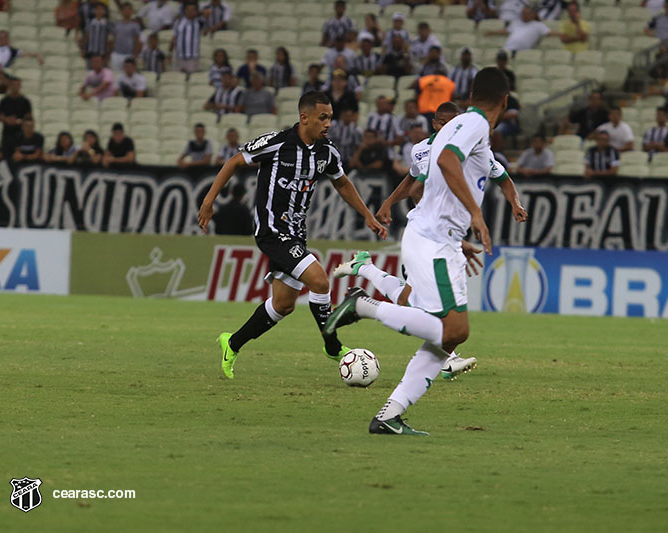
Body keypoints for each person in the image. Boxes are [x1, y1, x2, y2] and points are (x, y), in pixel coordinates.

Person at [324, 68, 527, 436]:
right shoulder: (475, 124)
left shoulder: (457, 126)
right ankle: (364, 305)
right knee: (456, 330)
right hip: (433, 239)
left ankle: (390, 414)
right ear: (505, 102)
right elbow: (448, 161)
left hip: (437, 237)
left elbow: (441, 180)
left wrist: (459, 235)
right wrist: (476, 215)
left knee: (446, 337)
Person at [196, 91, 387, 378]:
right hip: (272, 231)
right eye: (323, 118)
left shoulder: (327, 152)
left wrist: (367, 215)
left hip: (297, 234)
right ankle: (332, 346)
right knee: (320, 281)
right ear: (304, 117)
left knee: (283, 304)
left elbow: (343, 183)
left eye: (330, 118)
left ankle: (231, 343)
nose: (328, 124)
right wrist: (209, 201)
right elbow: (235, 161)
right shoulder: (277, 143)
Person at [343, 102, 481, 379]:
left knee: (410, 299)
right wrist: (391, 203)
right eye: (442, 123)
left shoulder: (465, 150)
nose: (447, 128)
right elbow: (414, 183)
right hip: (426, 236)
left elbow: (416, 183)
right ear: (434, 124)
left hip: (442, 233)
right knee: (430, 300)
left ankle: (364, 269)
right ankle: (447, 358)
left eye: (453, 123)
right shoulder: (423, 150)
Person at [485, 6, 552, 53]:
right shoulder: (516, 22)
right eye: (523, 13)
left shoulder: (538, 25)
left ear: (533, 14)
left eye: (526, 13)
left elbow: (549, 32)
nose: (524, 15)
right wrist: (492, 32)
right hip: (508, 49)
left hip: (523, 51)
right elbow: (506, 31)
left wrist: (561, 34)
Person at [0, 77, 32, 157]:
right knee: (6, 156)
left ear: (20, 86)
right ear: (9, 86)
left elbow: (29, 118)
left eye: (17, 85)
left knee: (20, 156)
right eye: (13, 85)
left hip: (21, 134)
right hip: (7, 134)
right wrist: (6, 119)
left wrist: (18, 121)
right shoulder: (4, 101)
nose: (15, 87)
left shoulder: (25, 101)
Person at [170, 2, 208, 74]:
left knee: (191, 77)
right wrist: (169, 52)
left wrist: (198, 14)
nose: (190, 12)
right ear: (185, 11)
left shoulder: (199, 21)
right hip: (179, 56)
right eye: (188, 10)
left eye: (192, 10)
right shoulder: (179, 22)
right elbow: (174, 37)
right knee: (178, 78)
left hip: (192, 57)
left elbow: (208, 12)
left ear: (196, 11)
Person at [328, 107, 362, 172]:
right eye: (346, 115)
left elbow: (358, 146)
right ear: (342, 115)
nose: (348, 118)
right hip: (332, 158)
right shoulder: (333, 125)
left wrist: (354, 158)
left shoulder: (356, 129)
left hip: (347, 159)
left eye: (350, 116)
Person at [110, 2, 141, 71]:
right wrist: (111, 52)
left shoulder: (135, 25)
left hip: (128, 54)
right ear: (121, 12)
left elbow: (137, 41)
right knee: (115, 74)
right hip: (117, 54)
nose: (127, 11)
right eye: (125, 9)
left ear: (132, 12)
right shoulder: (117, 25)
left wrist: (135, 55)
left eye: (129, 9)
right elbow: (114, 39)